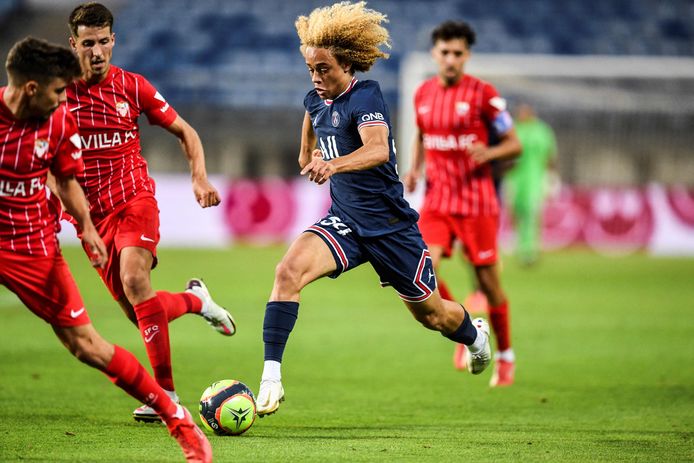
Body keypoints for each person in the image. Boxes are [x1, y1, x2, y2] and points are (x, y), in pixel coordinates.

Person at [255, 1, 492, 418]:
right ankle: (270, 377)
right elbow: (308, 137)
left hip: (390, 228)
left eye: (323, 68)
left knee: (432, 316)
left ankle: (475, 336)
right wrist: (308, 156)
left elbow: (378, 148)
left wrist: (333, 163)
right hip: (345, 222)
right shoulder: (314, 100)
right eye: (311, 69)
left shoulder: (366, 95)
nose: (316, 76)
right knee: (286, 272)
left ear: (346, 64)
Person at [0, 36, 211, 463]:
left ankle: (174, 412)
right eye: (59, 92)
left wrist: (85, 226)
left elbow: (64, 182)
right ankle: (194, 303)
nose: (65, 99)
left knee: (90, 343)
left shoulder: (64, 119)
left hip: (36, 243)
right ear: (32, 89)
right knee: (139, 306)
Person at [63, 2, 235, 422]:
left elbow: (185, 131)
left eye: (104, 42)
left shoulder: (132, 86)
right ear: (73, 44)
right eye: (89, 44)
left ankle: (167, 397)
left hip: (134, 197)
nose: (98, 52)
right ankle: (196, 301)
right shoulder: (57, 94)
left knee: (135, 277)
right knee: (140, 310)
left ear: (113, 40)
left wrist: (199, 177)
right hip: (93, 217)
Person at [403, 20, 522, 387]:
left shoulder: (485, 95)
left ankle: (504, 356)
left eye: (457, 53)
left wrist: (489, 151)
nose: (450, 59)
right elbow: (422, 133)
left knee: (489, 284)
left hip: (477, 203)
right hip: (437, 201)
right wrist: (414, 168)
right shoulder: (422, 93)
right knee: (424, 271)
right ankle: (465, 326)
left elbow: (514, 144)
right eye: (444, 52)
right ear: (434, 54)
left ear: (467, 55)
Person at [505, 102, 558, 266]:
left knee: (531, 213)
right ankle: (521, 245)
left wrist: (551, 176)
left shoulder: (542, 131)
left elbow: (550, 155)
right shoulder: (513, 129)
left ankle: (530, 250)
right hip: (514, 178)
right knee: (514, 212)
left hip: (535, 179)